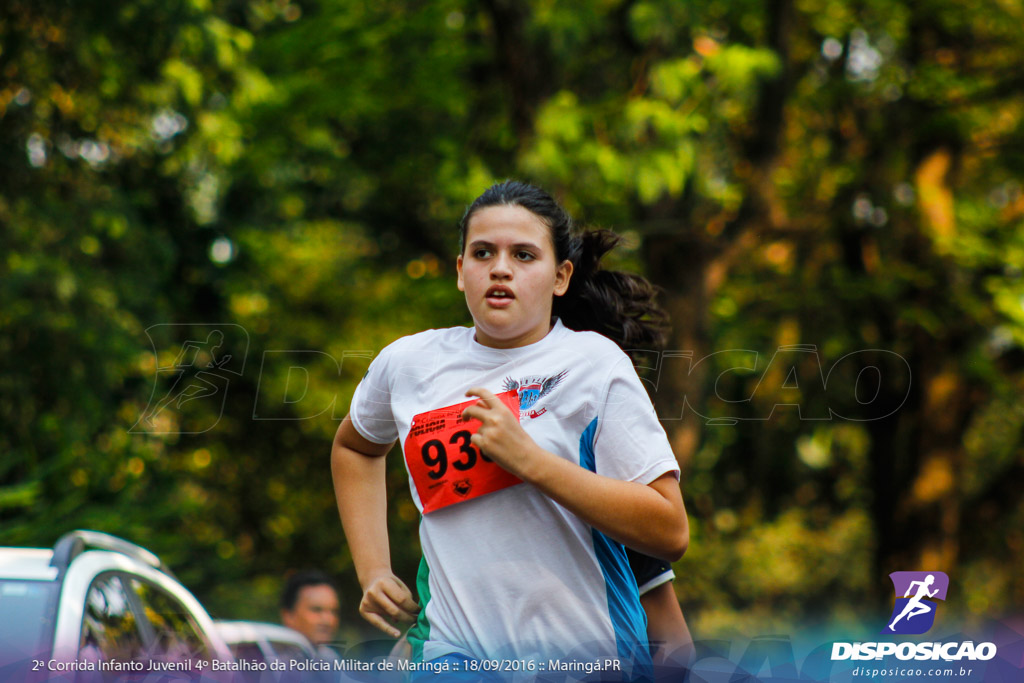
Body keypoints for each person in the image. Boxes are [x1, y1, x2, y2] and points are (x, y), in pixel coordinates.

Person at [332, 180, 689, 678]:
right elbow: (355, 446)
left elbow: (670, 531)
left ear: (560, 276)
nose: (500, 268)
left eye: (524, 255)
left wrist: (532, 462)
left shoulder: (595, 365)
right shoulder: (409, 362)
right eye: (483, 253)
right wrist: (372, 569)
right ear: (461, 272)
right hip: (452, 658)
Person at [280, 570, 342, 659]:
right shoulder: (268, 660)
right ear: (288, 615)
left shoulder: (330, 659)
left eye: (333, 611)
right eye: (317, 610)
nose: (328, 620)